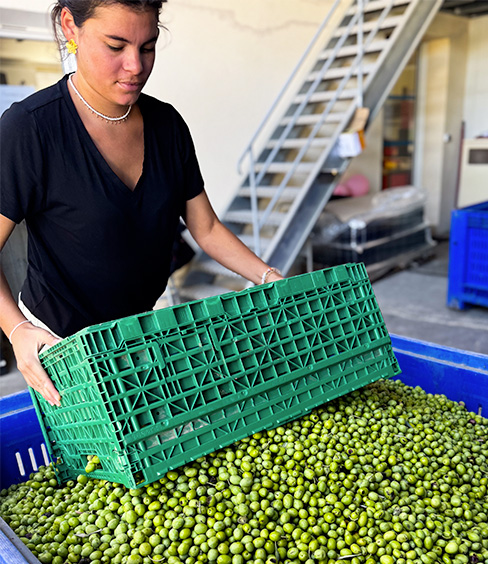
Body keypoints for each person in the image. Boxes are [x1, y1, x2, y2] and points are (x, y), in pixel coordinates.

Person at [0, 0, 282, 408]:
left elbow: (206, 228)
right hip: (60, 342)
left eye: (147, 47)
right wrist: (17, 330)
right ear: (70, 27)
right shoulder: (30, 129)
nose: (135, 66)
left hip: (140, 328)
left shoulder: (167, 125)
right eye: (115, 47)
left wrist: (268, 276)